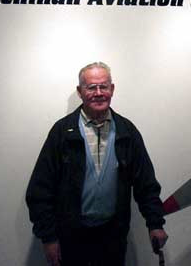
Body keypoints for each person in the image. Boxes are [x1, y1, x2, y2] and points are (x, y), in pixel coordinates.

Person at [26, 62, 168, 266]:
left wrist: (156, 224)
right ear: (80, 92)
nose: (99, 93)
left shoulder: (126, 132)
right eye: (91, 87)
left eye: (104, 86)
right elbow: (39, 191)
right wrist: (48, 238)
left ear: (112, 89)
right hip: (71, 240)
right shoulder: (61, 133)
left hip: (113, 239)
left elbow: (146, 185)